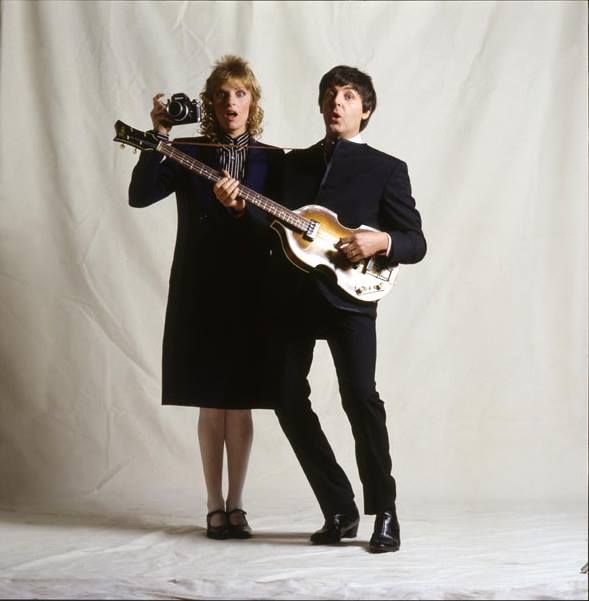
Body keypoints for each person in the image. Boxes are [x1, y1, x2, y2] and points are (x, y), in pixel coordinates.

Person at [215, 65, 426, 553]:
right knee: (286, 398)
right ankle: (339, 507)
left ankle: (385, 512)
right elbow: (268, 235)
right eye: (331, 94)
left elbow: (416, 241)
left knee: (361, 400)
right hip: (290, 301)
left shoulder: (386, 168)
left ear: (365, 110)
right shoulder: (293, 164)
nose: (338, 102)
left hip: (352, 302)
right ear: (320, 105)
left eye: (349, 96)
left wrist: (382, 239)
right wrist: (235, 208)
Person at [128, 55, 282, 540]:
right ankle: (213, 506)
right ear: (209, 105)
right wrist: (160, 138)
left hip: (255, 289)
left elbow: (287, 224)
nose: (230, 102)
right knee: (211, 402)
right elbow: (140, 194)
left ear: (252, 102)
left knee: (241, 402)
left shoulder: (274, 159)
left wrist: (241, 212)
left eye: (239, 93)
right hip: (201, 286)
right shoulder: (188, 150)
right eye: (221, 94)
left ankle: (237, 505)